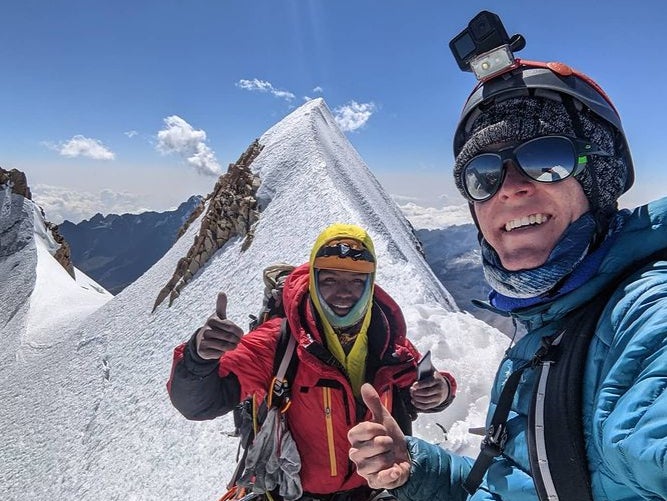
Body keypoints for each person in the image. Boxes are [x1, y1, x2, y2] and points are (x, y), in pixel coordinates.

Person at [347, 17, 667, 501]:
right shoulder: (553, 323)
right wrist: (419, 467)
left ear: (597, 179)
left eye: (547, 158)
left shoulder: (643, 317)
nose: (512, 187)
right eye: (483, 173)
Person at [168, 223, 456, 501]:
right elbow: (199, 404)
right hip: (297, 494)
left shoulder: (387, 340)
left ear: (370, 285)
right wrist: (198, 358)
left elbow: (418, 386)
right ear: (313, 281)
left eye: (356, 281)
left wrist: (441, 389)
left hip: (374, 489)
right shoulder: (277, 343)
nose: (344, 293)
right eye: (330, 280)